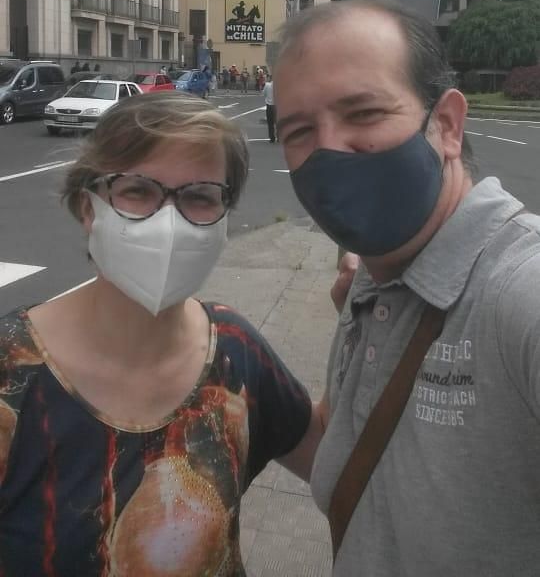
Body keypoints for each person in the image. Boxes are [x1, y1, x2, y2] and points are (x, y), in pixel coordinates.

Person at [0, 92, 327, 575]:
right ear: (88, 207)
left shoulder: (234, 352)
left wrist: (368, 329)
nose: (168, 222)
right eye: (137, 190)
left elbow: (336, 463)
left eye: (199, 197)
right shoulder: (12, 374)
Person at [274, 0, 540, 577]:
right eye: (299, 131)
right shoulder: (372, 282)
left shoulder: (521, 290)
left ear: (445, 124)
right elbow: (351, 451)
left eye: (363, 114)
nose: (329, 150)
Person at [262, 74, 276, 143]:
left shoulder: (267, 85)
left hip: (269, 106)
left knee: (270, 123)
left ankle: (272, 138)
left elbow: (263, 94)